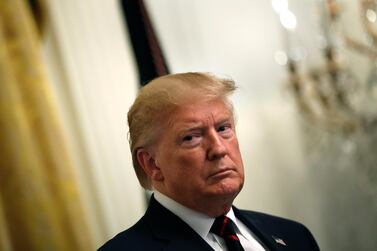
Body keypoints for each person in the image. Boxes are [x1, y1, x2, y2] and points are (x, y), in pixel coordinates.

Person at [98, 72, 320, 251]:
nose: (219, 149)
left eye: (224, 128)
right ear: (152, 164)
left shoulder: (294, 236)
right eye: (191, 137)